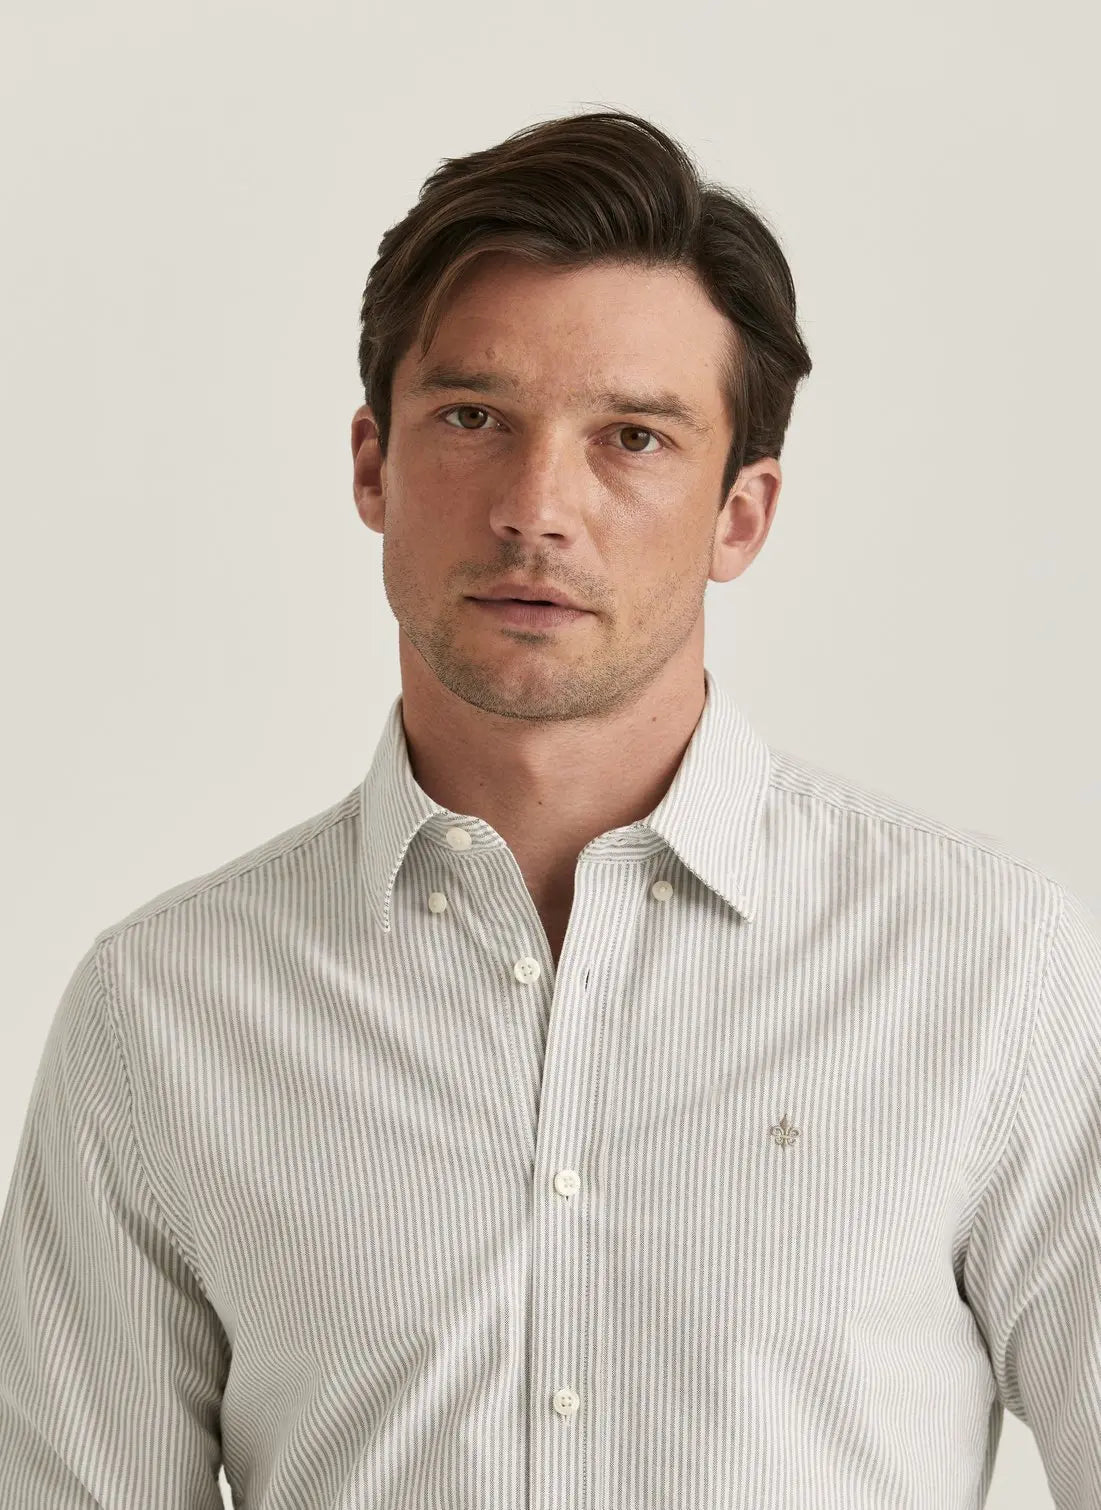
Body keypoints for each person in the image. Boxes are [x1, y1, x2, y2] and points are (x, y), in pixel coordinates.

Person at [1, 107, 1098, 1510]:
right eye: (473, 419)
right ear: (371, 465)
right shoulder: (164, 1011)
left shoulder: (987, 968)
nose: (536, 507)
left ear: (741, 513)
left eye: (632, 437)